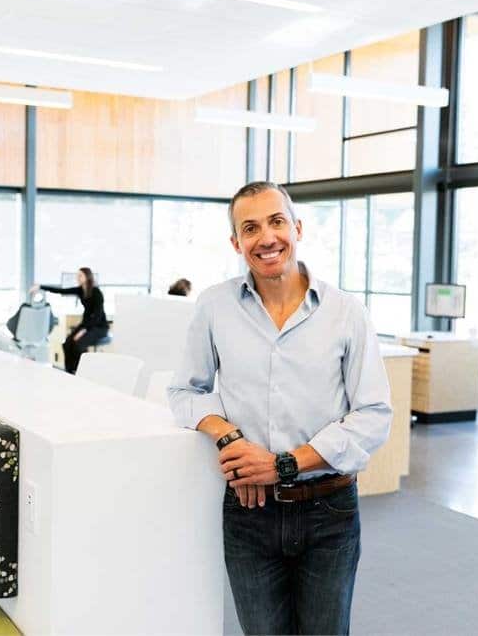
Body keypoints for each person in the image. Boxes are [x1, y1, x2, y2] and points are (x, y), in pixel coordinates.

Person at [168, 181, 392, 635]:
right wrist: (228, 435)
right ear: (236, 243)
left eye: (276, 222)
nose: (266, 238)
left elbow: (373, 415)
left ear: (297, 228)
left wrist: (283, 466)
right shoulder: (214, 306)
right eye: (250, 228)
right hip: (249, 513)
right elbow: (185, 392)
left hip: (328, 508)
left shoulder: (345, 311)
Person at [31, 267, 108, 374]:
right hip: (85, 324)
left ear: (87, 276)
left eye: (80, 275)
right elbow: (61, 291)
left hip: (98, 326)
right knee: (67, 343)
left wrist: (83, 331)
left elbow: (97, 316)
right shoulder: (81, 290)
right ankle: (69, 371)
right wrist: (40, 287)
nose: (78, 278)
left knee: (79, 344)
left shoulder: (96, 292)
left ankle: (81, 371)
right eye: (77, 276)